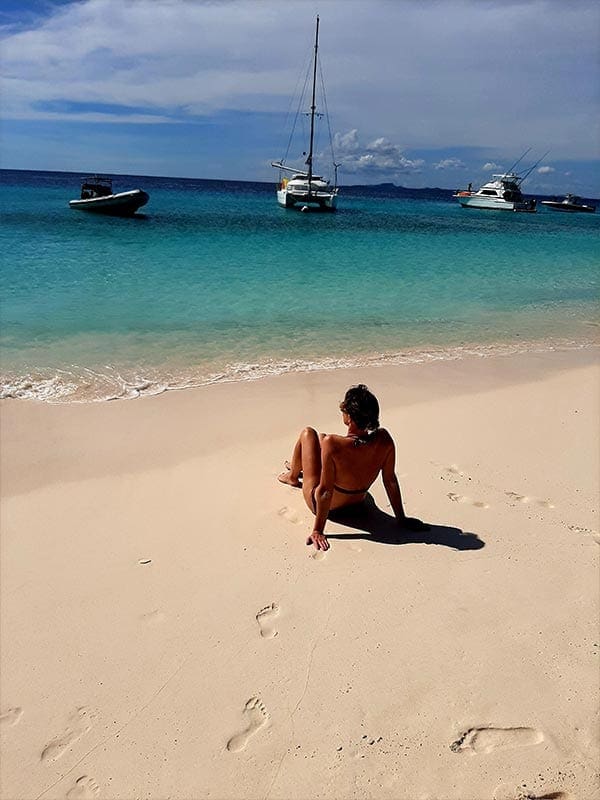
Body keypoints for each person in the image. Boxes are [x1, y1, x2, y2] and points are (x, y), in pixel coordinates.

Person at [278, 384, 428, 551]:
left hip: (326, 506)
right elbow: (390, 481)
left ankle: (292, 476)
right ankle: (299, 468)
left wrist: (318, 530)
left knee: (309, 434)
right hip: (357, 502)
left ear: (348, 416)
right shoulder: (384, 440)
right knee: (321, 440)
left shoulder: (332, 444)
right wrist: (401, 518)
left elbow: (325, 491)